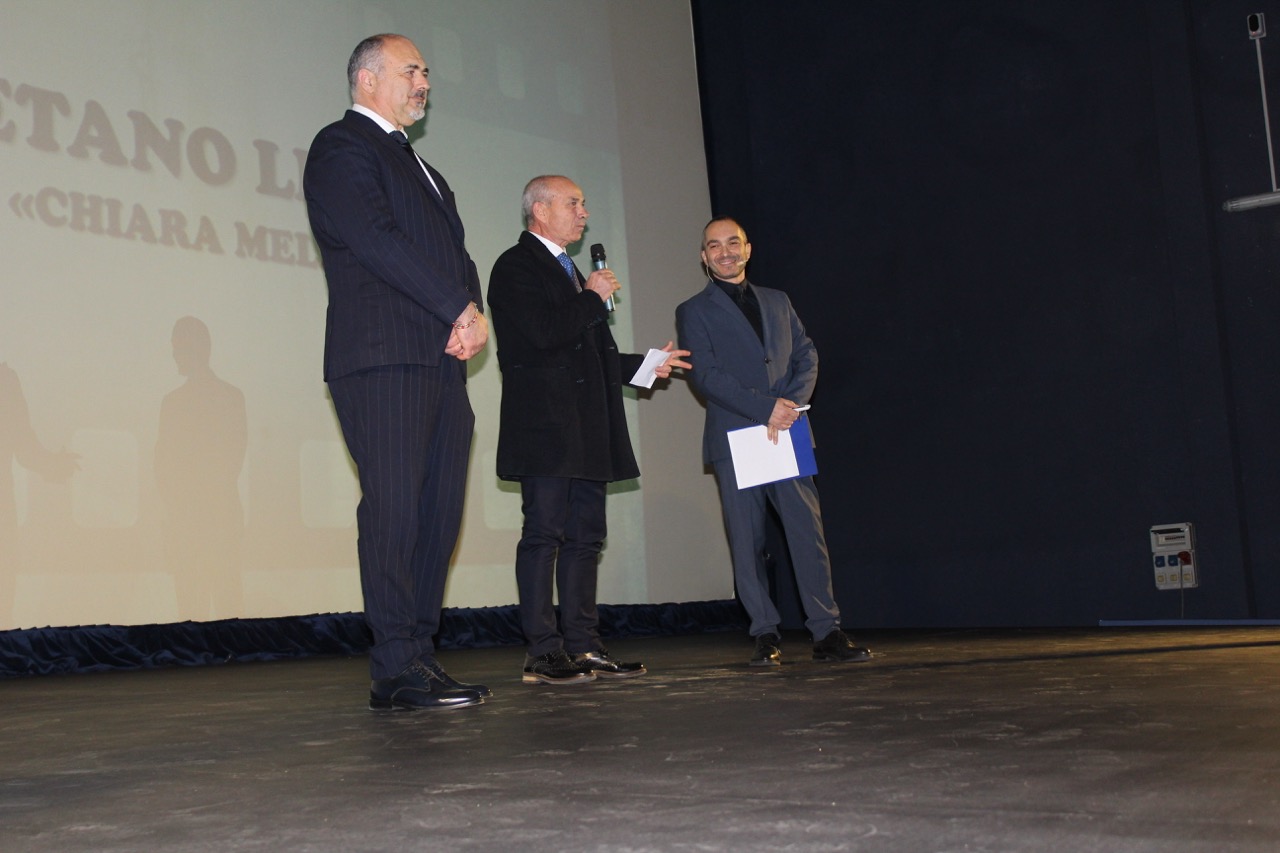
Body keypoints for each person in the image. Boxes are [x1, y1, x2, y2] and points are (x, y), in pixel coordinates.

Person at [303, 34, 490, 710]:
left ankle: (420, 654)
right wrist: (456, 307)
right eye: (412, 70)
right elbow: (376, 239)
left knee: (438, 514)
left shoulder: (426, 170)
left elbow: (457, 256)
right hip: (382, 357)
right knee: (396, 510)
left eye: (426, 72)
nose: (424, 83)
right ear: (368, 78)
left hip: (439, 359)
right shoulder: (342, 146)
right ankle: (394, 664)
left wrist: (472, 314)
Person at [487, 175, 691, 685]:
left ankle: (584, 645)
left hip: (586, 428)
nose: (584, 213)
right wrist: (592, 297)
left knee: (585, 538)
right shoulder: (515, 266)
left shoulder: (573, 273)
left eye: (584, 204)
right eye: (574, 203)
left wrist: (646, 365)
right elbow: (541, 335)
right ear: (540, 210)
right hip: (546, 429)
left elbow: (587, 355)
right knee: (544, 535)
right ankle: (542, 651)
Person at [675, 217, 870, 667]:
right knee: (748, 541)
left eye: (733, 243)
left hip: (787, 431)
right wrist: (766, 408)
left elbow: (806, 354)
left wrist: (791, 406)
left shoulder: (778, 301)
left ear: (748, 249)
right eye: (714, 246)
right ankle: (764, 633)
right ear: (704, 257)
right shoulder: (693, 310)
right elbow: (706, 376)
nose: (725, 252)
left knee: (807, 534)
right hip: (738, 435)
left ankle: (826, 631)